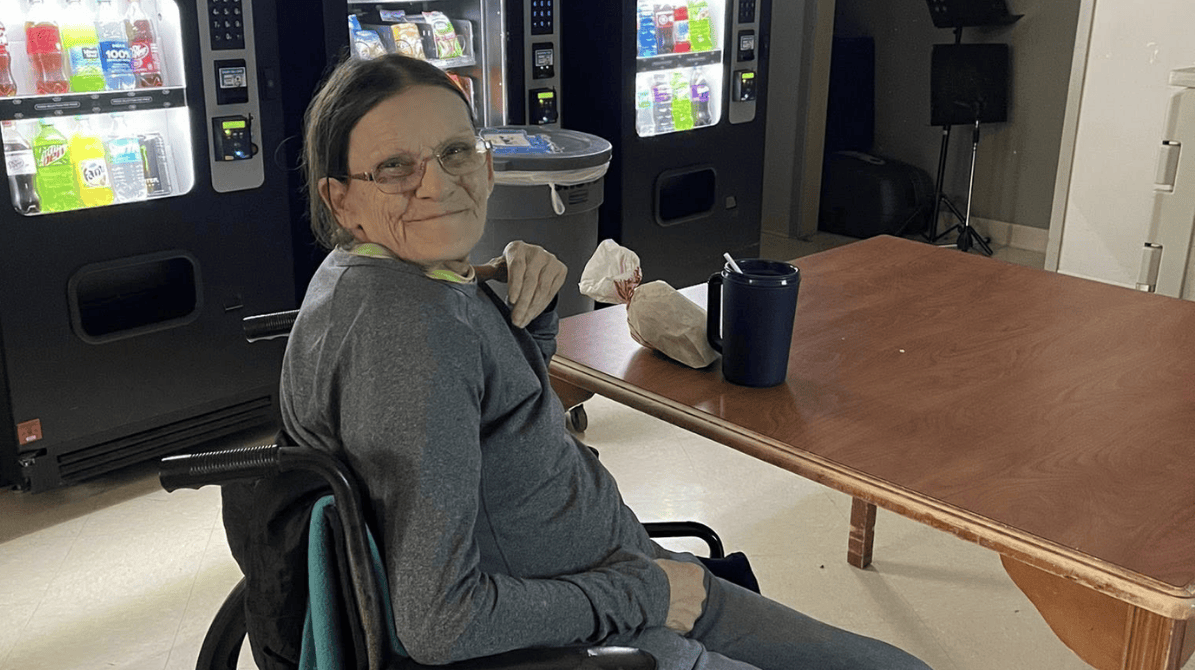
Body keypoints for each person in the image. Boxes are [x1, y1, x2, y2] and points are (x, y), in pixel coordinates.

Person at [226, 53, 933, 670]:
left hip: (624, 579)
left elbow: (502, 424)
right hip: (600, 634)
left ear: (488, 164)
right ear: (341, 199)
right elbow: (438, 621)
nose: (436, 185)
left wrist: (514, 305)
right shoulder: (409, 335)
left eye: (455, 152)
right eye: (394, 167)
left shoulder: (373, 275)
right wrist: (647, 593)